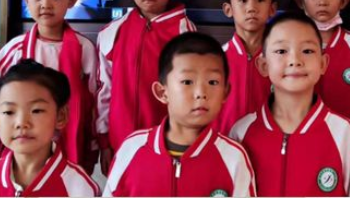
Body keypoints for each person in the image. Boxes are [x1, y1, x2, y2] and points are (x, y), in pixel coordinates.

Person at [0, 0, 98, 173]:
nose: (46, 4)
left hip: (68, 151)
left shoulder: (85, 49)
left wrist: (93, 147)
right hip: (22, 147)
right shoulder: (14, 51)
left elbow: (94, 103)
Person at [230, 12, 350, 196]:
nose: (295, 61)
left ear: (323, 63)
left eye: (307, 51)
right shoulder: (242, 132)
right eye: (281, 51)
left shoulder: (341, 132)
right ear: (263, 65)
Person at [103, 33, 256, 196]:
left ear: (225, 93)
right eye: (187, 82)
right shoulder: (132, 149)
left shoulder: (233, 158)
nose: (201, 93)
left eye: (213, 82)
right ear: (162, 92)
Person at [96, 0, 197, 174]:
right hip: (120, 144)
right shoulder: (111, 32)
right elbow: (104, 90)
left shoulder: (185, 33)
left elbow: (191, 93)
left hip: (169, 146)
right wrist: (104, 141)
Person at [0, 60, 99, 197]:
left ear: (60, 116)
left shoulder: (80, 189)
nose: (21, 123)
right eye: (9, 112)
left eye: (36, 110)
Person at [214, 0, 277, 135]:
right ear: (228, 9)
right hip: (223, 146)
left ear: (272, 8)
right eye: (243, 0)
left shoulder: (283, 59)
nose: (251, 8)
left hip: (269, 146)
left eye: (260, 0)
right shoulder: (214, 59)